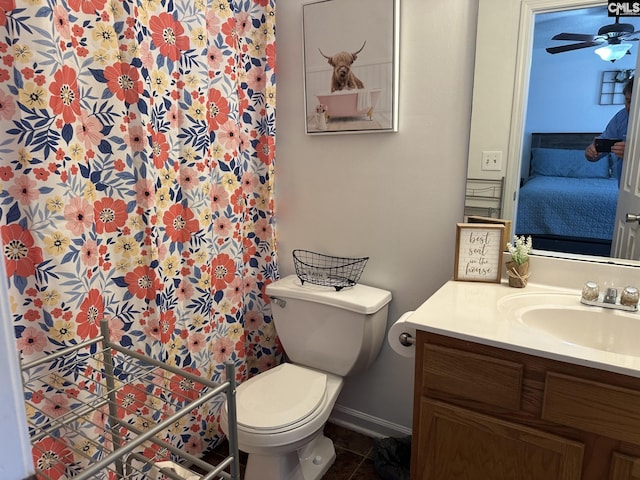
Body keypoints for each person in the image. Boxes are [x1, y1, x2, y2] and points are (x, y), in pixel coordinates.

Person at [585, 77, 634, 183]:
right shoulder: (621, 117)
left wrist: (633, 152)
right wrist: (592, 152)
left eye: (634, 102)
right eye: (627, 100)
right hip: (625, 188)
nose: (629, 107)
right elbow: (602, 144)